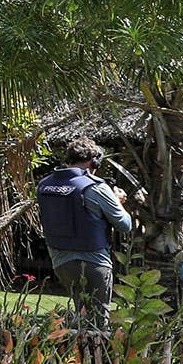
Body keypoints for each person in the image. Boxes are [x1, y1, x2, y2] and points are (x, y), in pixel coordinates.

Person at [36, 137, 133, 323]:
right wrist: (117, 201)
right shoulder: (95, 186)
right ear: (93, 161)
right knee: (98, 322)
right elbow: (124, 224)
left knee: (81, 316)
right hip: (95, 264)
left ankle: (77, 349)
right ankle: (95, 351)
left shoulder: (44, 185)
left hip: (61, 264)